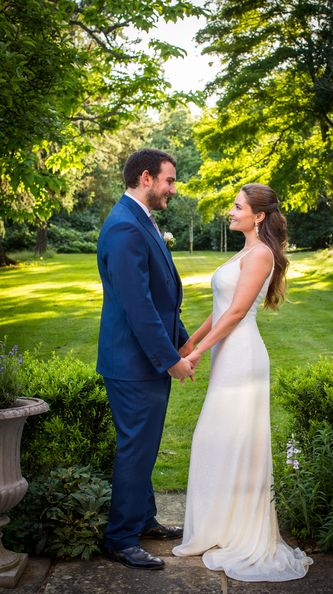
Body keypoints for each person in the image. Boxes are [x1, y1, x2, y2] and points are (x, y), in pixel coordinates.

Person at [173, 183, 313, 581]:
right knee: (220, 440)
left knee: (222, 439)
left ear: (259, 216)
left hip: (242, 357)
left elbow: (235, 314)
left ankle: (238, 532)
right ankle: (221, 527)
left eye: (238, 207)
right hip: (227, 355)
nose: (231, 212)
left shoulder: (262, 254)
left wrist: (198, 353)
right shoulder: (246, 251)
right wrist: (190, 342)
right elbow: (220, 310)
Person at [97, 148, 194, 570]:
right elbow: (137, 307)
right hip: (134, 365)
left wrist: (183, 339)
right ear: (146, 178)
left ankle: (143, 519)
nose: (173, 188)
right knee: (135, 448)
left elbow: (158, 295)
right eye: (169, 180)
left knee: (145, 446)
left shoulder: (140, 220)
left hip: (143, 362)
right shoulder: (124, 227)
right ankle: (120, 537)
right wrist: (169, 358)